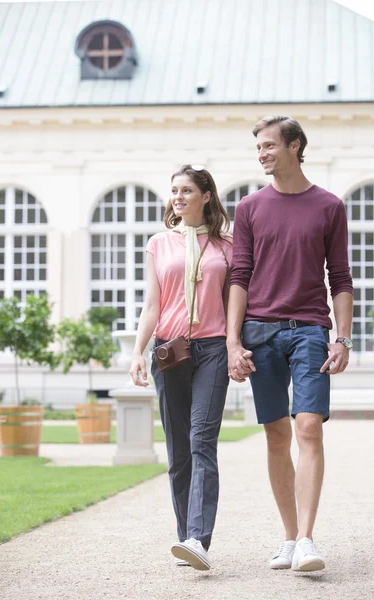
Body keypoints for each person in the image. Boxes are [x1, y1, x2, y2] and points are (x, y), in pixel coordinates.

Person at [227, 115, 353, 572]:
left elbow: (339, 278)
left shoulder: (329, 206)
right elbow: (239, 276)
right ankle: (287, 536)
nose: (261, 154)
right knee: (277, 435)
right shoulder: (249, 208)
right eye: (257, 147)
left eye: (268, 146)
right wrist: (231, 341)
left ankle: (306, 539)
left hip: (310, 331)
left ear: (295, 146)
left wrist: (342, 336)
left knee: (309, 428)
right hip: (259, 332)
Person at [129, 164, 232, 571]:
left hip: (212, 349)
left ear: (206, 195)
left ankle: (198, 539)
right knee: (178, 451)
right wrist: (138, 351)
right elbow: (152, 304)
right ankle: (184, 535)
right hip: (169, 350)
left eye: (187, 190)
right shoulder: (159, 243)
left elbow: (235, 301)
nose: (178, 197)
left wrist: (236, 343)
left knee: (201, 441)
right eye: (174, 190)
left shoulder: (228, 244)